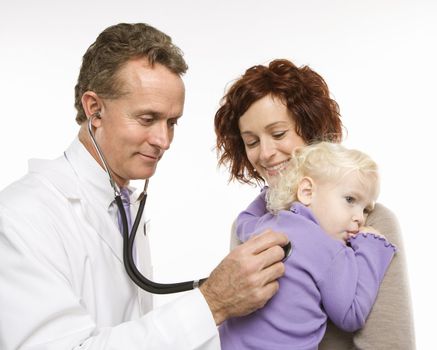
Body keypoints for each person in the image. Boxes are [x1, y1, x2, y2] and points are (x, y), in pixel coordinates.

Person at [0, 23, 289, 350]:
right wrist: (213, 303)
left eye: (171, 122)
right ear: (94, 109)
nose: (163, 141)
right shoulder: (21, 217)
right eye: (147, 119)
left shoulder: (121, 205)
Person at [215, 59, 416, 349]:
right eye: (252, 141)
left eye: (279, 133)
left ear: (309, 131)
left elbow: (389, 343)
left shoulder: (370, 224)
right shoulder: (250, 226)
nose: (266, 153)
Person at [219, 141, 396, 349]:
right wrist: (372, 246)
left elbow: (244, 220)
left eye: (366, 210)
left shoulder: (269, 223)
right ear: (306, 191)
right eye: (350, 199)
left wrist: (277, 191)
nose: (359, 218)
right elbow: (351, 315)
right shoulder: (332, 251)